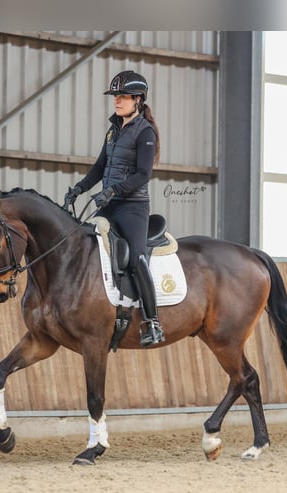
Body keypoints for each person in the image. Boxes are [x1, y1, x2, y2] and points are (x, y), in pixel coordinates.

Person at [64, 70, 165, 347]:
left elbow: (143, 174)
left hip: (132, 207)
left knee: (136, 259)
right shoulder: (113, 130)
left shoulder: (145, 132)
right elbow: (100, 167)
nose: (116, 102)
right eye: (115, 97)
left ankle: (152, 321)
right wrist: (80, 188)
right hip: (108, 203)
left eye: (121, 97)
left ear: (137, 99)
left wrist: (112, 190)